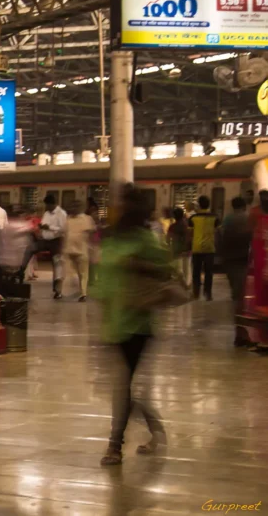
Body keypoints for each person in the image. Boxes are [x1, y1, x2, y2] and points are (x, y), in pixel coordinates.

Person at [92, 185, 167, 466]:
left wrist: (141, 267)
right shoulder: (111, 239)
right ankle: (156, 431)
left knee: (122, 387)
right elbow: (103, 279)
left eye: (121, 204)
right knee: (124, 387)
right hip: (112, 322)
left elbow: (166, 273)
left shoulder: (146, 240)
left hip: (137, 324)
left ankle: (114, 446)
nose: (116, 208)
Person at [219, 196, 252, 346]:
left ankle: (240, 332)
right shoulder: (248, 218)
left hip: (230, 261)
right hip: (245, 261)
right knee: (243, 298)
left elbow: (221, 237)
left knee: (237, 295)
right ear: (244, 205)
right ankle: (242, 333)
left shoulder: (227, 220)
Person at [64, 200, 96, 302]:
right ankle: (78, 290)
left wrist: (92, 248)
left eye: (75, 207)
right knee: (74, 272)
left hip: (81, 250)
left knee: (83, 273)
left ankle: (83, 293)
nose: (72, 209)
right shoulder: (68, 219)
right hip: (70, 250)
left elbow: (91, 233)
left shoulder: (86, 218)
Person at [39, 195, 68, 299]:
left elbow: (63, 229)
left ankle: (58, 290)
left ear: (52, 204)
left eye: (47, 205)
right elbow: (43, 223)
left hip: (57, 242)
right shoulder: (46, 213)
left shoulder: (61, 214)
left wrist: (50, 227)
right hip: (46, 241)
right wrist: (42, 227)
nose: (46, 207)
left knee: (57, 265)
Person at [189, 195, 217, 301]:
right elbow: (217, 232)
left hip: (196, 248)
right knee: (209, 272)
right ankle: (208, 294)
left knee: (196, 272)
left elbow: (190, 234)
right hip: (210, 249)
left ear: (199, 205)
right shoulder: (215, 217)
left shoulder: (193, 218)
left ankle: (196, 293)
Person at [167, 208, 191, 280]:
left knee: (177, 270)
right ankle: (186, 286)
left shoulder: (172, 227)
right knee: (186, 270)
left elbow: (167, 239)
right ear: (183, 215)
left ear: (174, 216)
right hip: (187, 251)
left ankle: (179, 286)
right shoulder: (187, 226)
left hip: (176, 251)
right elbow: (189, 238)